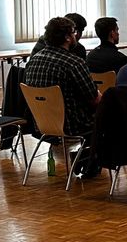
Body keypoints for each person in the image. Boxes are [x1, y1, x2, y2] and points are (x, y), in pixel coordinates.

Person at [24, 15, 101, 175]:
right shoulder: (73, 63)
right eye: (74, 32)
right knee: (107, 113)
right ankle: (88, 160)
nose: (76, 36)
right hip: (72, 124)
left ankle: (86, 157)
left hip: (41, 123)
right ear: (67, 37)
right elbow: (94, 100)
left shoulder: (32, 61)